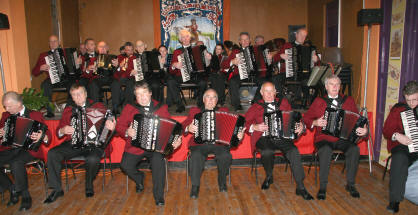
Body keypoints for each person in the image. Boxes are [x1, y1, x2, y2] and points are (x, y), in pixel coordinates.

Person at [44, 83, 115, 203]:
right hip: (74, 143)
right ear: (71, 97)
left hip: (94, 145)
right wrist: (63, 130)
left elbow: (111, 124)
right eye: (74, 95)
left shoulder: (98, 106)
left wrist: (112, 127)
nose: (78, 97)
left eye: (80, 93)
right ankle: (56, 189)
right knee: (52, 153)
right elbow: (58, 131)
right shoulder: (68, 110)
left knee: (93, 159)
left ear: (86, 94)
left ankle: (89, 184)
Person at [117, 81, 182, 206]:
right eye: (138, 95)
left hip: (156, 148)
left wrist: (176, 140)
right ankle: (139, 178)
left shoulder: (161, 108)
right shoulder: (130, 108)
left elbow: (172, 128)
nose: (142, 97)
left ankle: (159, 196)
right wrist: (127, 131)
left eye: (144, 93)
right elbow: (119, 127)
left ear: (150, 93)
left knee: (158, 163)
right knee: (125, 165)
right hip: (136, 147)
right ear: (135, 97)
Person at [244, 82, 313, 200]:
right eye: (267, 91)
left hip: (282, 137)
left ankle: (300, 187)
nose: (270, 94)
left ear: (276, 92)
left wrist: (301, 126)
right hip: (263, 137)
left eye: (272, 91)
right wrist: (254, 127)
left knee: (293, 151)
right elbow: (245, 122)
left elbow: (295, 118)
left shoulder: (284, 103)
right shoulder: (256, 106)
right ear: (261, 93)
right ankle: (269, 176)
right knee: (267, 152)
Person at [303, 75, 367, 200]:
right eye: (332, 84)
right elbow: (306, 118)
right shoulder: (319, 101)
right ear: (326, 87)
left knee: (354, 149)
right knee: (326, 150)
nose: (335, 87)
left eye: (337, 84)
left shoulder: (348, 100)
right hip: (324, 138)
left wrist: (364, 129)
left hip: (343, 138)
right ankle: (323, 187)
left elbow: (357, 119)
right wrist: (315, 122)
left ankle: (351, 184)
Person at [183, 89, 245, 198]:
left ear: (217, 100)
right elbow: (182, 127)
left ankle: (222, 181)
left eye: (214, 97)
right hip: (199, 144)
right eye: (208, 97)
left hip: (219, 144)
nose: (211, 100)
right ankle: (195, 186)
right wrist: (188, 127)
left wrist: (239, 136)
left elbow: (233, 128)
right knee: (196, 156)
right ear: (203, 99)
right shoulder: (195, 111)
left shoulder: (224, 110)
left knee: (226, 156)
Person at [0, 92, 51, 211]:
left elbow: (46, 133)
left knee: (16, 163)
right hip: (10, 148)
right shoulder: (6, 116)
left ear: (19, 104)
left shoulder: (34, 115)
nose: (7, 109)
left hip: (29, 150)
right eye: (5, 106)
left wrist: (42, 136)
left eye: (9, 106)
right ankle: (12, 188)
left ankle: (25, 196)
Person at [383, 80, 418, 213]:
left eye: (414, 99)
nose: (411, 103)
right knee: (399, 159)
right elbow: (386, 130)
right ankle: (394, 200)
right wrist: (398, 136)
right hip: (403, 146)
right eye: (408, 100)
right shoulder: (399, 109)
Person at [31, 35, 79, 117]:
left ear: (59, 42)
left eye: (55, 41)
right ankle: (50, 111)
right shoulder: (43, 55)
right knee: (44, 85)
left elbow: (76, 69)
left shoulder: (66, 53)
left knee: (73, 85)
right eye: (51, 41)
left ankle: (69, 110)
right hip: (52, 79)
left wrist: (78, 63)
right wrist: (40, 68)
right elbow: (34, 72)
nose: (53, 43)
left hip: (66, 79)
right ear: (49, 44)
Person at [168, 29, 210, 111]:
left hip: (194, 76)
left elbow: (206, 64)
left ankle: (200, 104)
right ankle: (180, 105)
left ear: (190, 38)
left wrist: (208, 58)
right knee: (170, 82)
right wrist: (174, 65)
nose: (185, 39)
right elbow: (171, 70)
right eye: (183, 37)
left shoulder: (197, 49)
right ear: (180, 40)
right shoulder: (177, 52)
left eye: (187, 36)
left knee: (203, 83)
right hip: (181, 76)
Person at [279, 28, 319, 108]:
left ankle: (306, 102)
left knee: (313, 80)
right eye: (301, 35)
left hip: (305, 74)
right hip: (290, 73)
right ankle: (288, 102)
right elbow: (276, 57)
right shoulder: (288, 45)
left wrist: (316, 59)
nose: (302, 37)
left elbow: (318, 63)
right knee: (278, 79)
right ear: (296, 35)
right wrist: (281, 55)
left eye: (304, 36)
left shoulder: (310, 48)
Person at [111, 42, 136, 114]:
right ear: (124, 50)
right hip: (120, 77)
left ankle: (128, 107)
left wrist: (133, 71)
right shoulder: (119, 57)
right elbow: (116, 72)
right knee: (114, 84)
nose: (130, 52)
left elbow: (135, 72)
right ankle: (115, 107)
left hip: (130, 78)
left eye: (131, 50)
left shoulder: (135, 58)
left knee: (130, 84)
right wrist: (119, 67)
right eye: (128, 50)